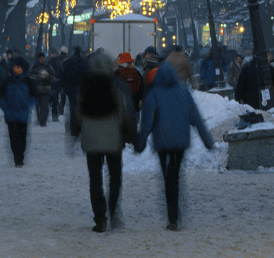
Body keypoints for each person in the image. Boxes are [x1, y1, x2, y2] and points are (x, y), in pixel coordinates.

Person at [134, 62, 215, 230]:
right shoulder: (184, 93)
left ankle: (172, 216)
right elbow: (197, 119)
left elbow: (147, 123)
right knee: (175, 176)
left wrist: (140, 143)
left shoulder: (153, 95)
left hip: (163, 143)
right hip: (180, 143)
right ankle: (175, 214)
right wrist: (207, 140)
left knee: (167, 177)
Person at [70, 51, 136, 232]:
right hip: (113, 138)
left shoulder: (85, 86)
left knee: (95, 179)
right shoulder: (117, 85)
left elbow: (77, 113)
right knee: (115, 177)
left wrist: (74, 134)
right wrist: (132, 136)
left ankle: (100, 218)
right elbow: (126, 113)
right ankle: (113, 211)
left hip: (91, 139)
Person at [1, 56, 36, 166]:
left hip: (23, 113)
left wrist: (28, 104)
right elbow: (0, 96)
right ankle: (16, 157)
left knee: (22, 136)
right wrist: (5, 107)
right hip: (10, 113)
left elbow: (34, 95)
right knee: (13, 137)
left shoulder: (28, 81)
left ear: (23, 69)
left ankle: (20, 155)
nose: (17, 70)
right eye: (15, 67)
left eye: (19, 68)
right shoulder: (8, 81)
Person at [28, 52, 57, 127]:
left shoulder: (48, 66)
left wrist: (47, 77)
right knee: (38, 106)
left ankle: (43, 121)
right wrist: (38, 77)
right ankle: (39, 119)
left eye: (43, 58)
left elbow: (53, 75)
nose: (43, 60)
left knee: (45, 106)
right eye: (41, 58)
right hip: (37, 89)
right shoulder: (34, 67)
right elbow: (29, 75)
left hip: (46, 89)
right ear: (38, 59)